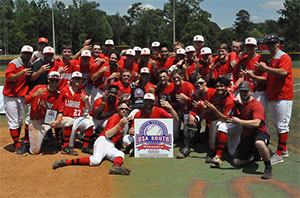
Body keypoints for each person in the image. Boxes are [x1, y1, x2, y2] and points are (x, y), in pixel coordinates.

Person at [52, 100, 132, 175]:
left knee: (120, 154)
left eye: (126, 109)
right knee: (95, 161)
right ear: (117, 108)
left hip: (111, 145)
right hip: (103, 141)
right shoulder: (114, 118)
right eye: (122, 108)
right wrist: (119, 125)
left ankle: (116, 168)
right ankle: (66, 162)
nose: (124, 111)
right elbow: (108, 134)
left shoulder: (123, 120)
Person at [255, 34, 293, 165]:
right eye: (268, 43)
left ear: (278, 43)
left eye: (273, 43)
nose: (270, 46)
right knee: (278, 124)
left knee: (282, 125)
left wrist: (266, 69)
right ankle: (283, 149)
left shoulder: (284, 56)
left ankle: (278, 154)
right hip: (274, 95)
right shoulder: (272, 58)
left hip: (283, 95)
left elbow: (283, 72)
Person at [228, 81, 273, 179]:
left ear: (251, 92)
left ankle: (268, 167)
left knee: (259, 143)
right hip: (247, 136)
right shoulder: (244, 103)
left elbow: (256, 123)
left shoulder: (257, 105)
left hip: (259, 132)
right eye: (241, 91)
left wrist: (239, 121)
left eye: (246, 91)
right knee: (236, 162)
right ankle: (255, 154)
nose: (243, 93)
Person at [3, 45, 33, 156]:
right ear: (21, 53)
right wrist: (21, 73)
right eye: (25, 53)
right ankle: (17, 145)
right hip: (10, 96)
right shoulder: (14, 63)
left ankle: (17, 142)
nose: (27, 55)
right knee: (14, 121)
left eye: (29, 53)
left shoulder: (29, 64)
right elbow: (9, 78)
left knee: (20, 121)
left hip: (21, 96)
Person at [25, 71, 62, 154]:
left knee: (69, 120)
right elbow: (26, 101)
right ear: (48, 80)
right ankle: (28, 142)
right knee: (34, 152)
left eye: (56, 81)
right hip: (36, 123)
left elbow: (60, 111)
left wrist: (58, 121)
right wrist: (34, 95)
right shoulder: (39, 88)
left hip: (48, 122)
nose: (54, 83)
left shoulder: (58, 95)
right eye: (52, 80)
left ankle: (62, 142)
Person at [235, 37, 268, 129]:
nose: (249, 48)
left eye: (252, 46)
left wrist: (253, 76)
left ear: (256, 47)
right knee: (244, 116)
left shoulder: (262, 60)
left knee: (261, 120)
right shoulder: (242, 62)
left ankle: (263, 139)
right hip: (245, 93)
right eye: (247, 46)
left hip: (259, 92)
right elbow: (240, 77)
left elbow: (266, 79)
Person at [58, 71, 94, 155]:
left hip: (78, 118)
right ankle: (65, 146)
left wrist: (86, 102)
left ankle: (85, 146)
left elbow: (88, 108)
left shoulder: (82, 93)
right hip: (66, 118)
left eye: (79, 79)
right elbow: (59, 104)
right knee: (70, 143)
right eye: (75, 79)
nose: (77, 80)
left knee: (90, 123)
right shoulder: (64, 90)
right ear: (71, 80)